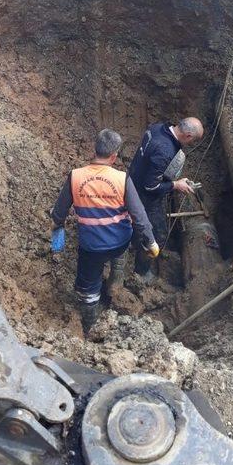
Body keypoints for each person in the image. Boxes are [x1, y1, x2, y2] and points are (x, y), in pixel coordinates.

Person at [50, 129, 158, 336]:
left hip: (91, 247)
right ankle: (115, 285)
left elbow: (58, 214)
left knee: (88, 286)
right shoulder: (122, 178)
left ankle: (90, 325)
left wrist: (57, 239)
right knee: (119, 256)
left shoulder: (76, 176)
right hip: (120, 242)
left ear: (95, 149)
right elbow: (139, 216)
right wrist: (151, 241)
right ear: (114, 156)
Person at [129, 117, 204, 282]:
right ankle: (141, 272)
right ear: (188, 136)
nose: (191, 145)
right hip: (145, 195)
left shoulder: (158, 128)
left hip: (133, 181)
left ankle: (133, 239)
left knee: (136, 221)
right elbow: (151, 186)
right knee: (157, 235)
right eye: (193, 141)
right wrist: (175, 185)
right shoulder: (165, 150)